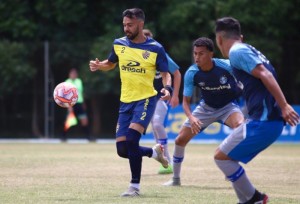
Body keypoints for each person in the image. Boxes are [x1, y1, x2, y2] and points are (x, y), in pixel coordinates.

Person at [214, 17, 299, 204]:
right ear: (240, 36)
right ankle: (248, 201)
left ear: (219, 39)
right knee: (225, 158)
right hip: (265, 120)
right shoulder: (247, 49)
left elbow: (265, 74)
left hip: (264, 121)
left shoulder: (237, 51)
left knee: (221, 157)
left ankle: (255, 199)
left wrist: (284, 105)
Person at [89, 8, 172, 197]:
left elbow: (166, 74)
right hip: (125, 101)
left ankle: (134, 187)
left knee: (132, 141)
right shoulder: (118, 44)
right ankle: (154, 153)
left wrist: (168, 89)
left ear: (140, 24)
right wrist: (99, 65)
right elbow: (111, 63)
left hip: (146, 99)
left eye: (130, 25)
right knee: (122, 150)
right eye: (124, 25)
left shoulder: (156, 48)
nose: (126, 28)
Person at [164, 37, 245, 186]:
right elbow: (185, 102)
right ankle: (175, 179)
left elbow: (245, 79)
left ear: (211, 54)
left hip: (228, 107)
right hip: (206, 108)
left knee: (240, 127)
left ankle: (232, 165)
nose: (197, 57)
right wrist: (192, 117)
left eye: (201, 54)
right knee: (179, 140)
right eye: (195, 53)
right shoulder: (192, 73)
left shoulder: (227, 66)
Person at [143, 28, 182, 174]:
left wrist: (175, 94)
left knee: (158, 123)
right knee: (154, 126)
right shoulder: (137, 56)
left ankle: (168, 160)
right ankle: (165, 161)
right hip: (147, 97)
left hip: (161, 96)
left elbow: (176, 73)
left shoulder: (160, 54)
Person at [62, 68, 92, 142]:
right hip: (71, 104)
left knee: (84, 121)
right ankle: (63, 137)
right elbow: (65, 96)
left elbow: (81, 92)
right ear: (69, 74)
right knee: (68, 121)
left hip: (80, 104)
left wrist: (83, 103)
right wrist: (69, 106)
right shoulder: (67, 82)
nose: (73, 75)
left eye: (75, 73)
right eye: (72, 73)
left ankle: (88, 137)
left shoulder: (79, 81)